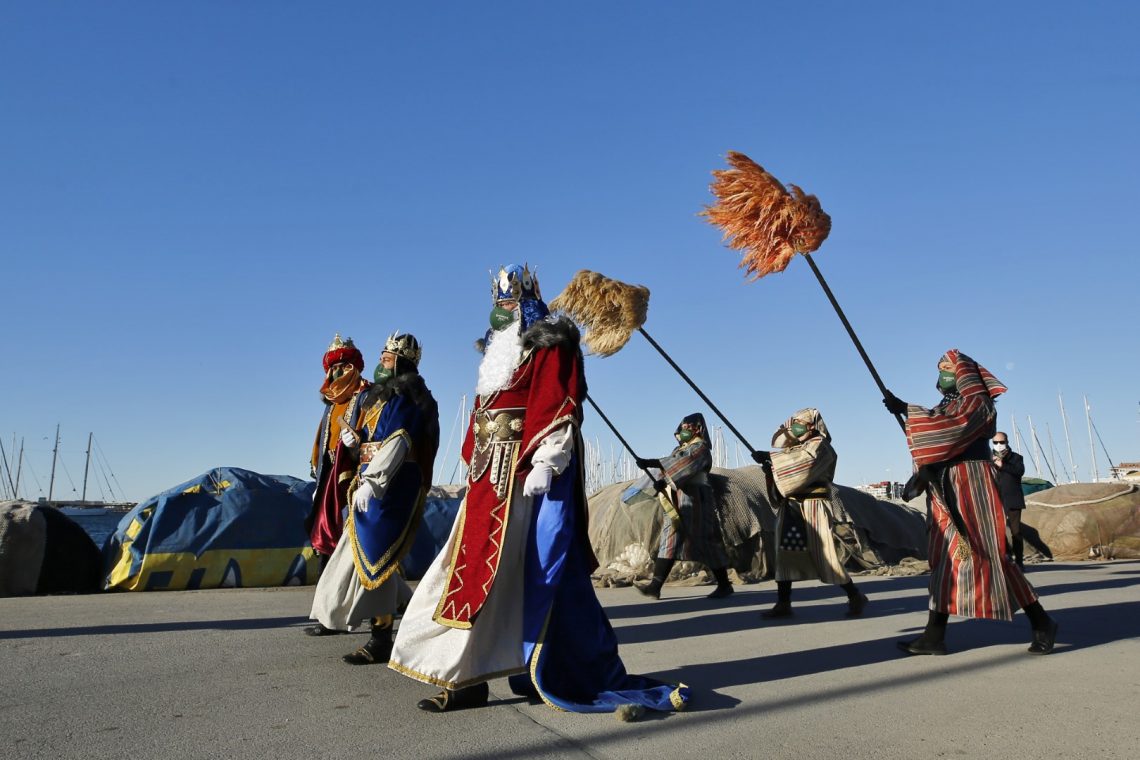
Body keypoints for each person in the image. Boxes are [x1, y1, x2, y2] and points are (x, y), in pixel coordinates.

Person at [388, 264, 689, 716]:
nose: (500, 312)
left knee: (513, 579)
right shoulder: (494, 356)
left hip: (524, 482)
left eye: (508, 303)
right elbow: (484, 415)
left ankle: (505, 670)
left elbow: (558, 402)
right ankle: (473, 674)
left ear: (526, 302)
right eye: (496, 305)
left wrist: (548, 461)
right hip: (487, 480)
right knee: (465, 573)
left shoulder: (552, 342)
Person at [882, 349, 1057, 655]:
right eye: (939, 369)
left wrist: (908, 411)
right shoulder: (947, 404)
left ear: (963, 372)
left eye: (946, 367)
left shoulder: (977, 402)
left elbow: (949, 428)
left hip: (969, 485)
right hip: (946, 485)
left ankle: (1041, 621)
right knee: (946, 557)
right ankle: (934, 636)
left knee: (985, 554)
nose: (941, 373)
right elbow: (937, 433)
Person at [306, 333, 440, 663]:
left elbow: (398, 442)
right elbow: (374, 440)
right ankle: (405, 611)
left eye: (389, 356)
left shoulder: (410, 396)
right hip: (374, 485)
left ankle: (381, 639)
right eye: (382, 353)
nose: (382, 359)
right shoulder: (381, 398)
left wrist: (374, 483)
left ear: (404, 361)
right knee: (365, 555)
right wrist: (355, 444)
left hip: (393, 487)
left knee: (376, 558)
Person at [756, 408, 867, 619]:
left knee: (824, 554)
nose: (796, 427)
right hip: (792, 506)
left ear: (813, 426)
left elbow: (802, 467)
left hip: (814, 506)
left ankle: (855, 595)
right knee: (785, 554)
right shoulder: (795, 447)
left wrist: (771, 459)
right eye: (794, 423)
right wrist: (769, 465)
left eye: (801, 423)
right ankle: (783, 603)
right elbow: (785, 465)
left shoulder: (821, 447)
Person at [629, 413, 734, 599]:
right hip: (678, 498)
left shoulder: (700, 448)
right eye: (683, 427)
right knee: (670, 539)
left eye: (689, 427)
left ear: (697, 429)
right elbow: (669, 469)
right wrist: (660, 482)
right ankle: (655, 586)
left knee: (705, 541)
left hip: (696, 499)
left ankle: (725, 584)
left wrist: (652, 462)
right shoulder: (679, 449)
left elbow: (682, 465)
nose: (685, 430)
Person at [307, 334, 369, 568]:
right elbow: (321, 441)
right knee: (324, 532)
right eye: (334, 368)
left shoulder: (366, 396)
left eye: (344, 366)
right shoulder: (331, 406)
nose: (338, 372)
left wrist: (357, 443)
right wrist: (318, 479)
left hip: (353, 479)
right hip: (328, 479)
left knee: (349, 536)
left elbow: (376, 435)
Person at [991, 431, 1027, 567]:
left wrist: (1003, 465)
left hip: (1013, 499)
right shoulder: (988, 458)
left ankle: (1019, 561)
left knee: (1016, 531)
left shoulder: (1016, 458)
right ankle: (1006, 556)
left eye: (1001, 442)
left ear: (1007, 442)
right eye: (995, 442)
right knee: (997, 530)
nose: (999, 445)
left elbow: (1020, 471)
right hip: (995, 499)